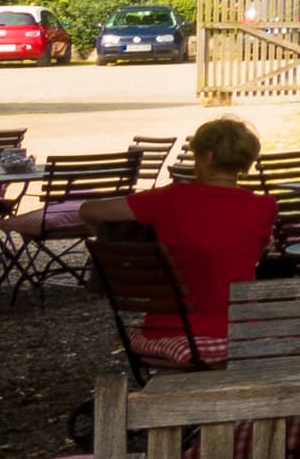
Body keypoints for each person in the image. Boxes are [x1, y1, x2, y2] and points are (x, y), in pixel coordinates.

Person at [83, 117, 277, 359]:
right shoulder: (264, 207)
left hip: (167, 329)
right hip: (239, 329)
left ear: (208, 158)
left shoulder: (170, 199)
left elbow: (89, 211)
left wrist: (104, 237)